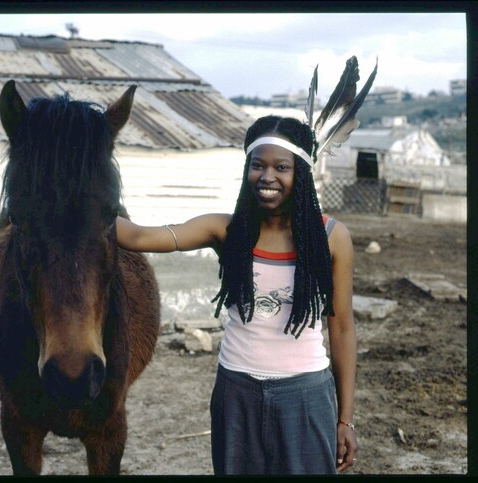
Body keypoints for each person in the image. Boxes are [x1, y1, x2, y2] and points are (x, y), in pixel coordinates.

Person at [116, 115, 358, 475]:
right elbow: (137, 237)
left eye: (281, 167)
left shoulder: (331, 237)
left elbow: (341, 329)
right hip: (236, 391)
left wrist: (345, 419)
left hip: (305, 395)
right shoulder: (227, 230)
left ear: (301, 174)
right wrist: (72, 201)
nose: (267, 177)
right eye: (257, 165)